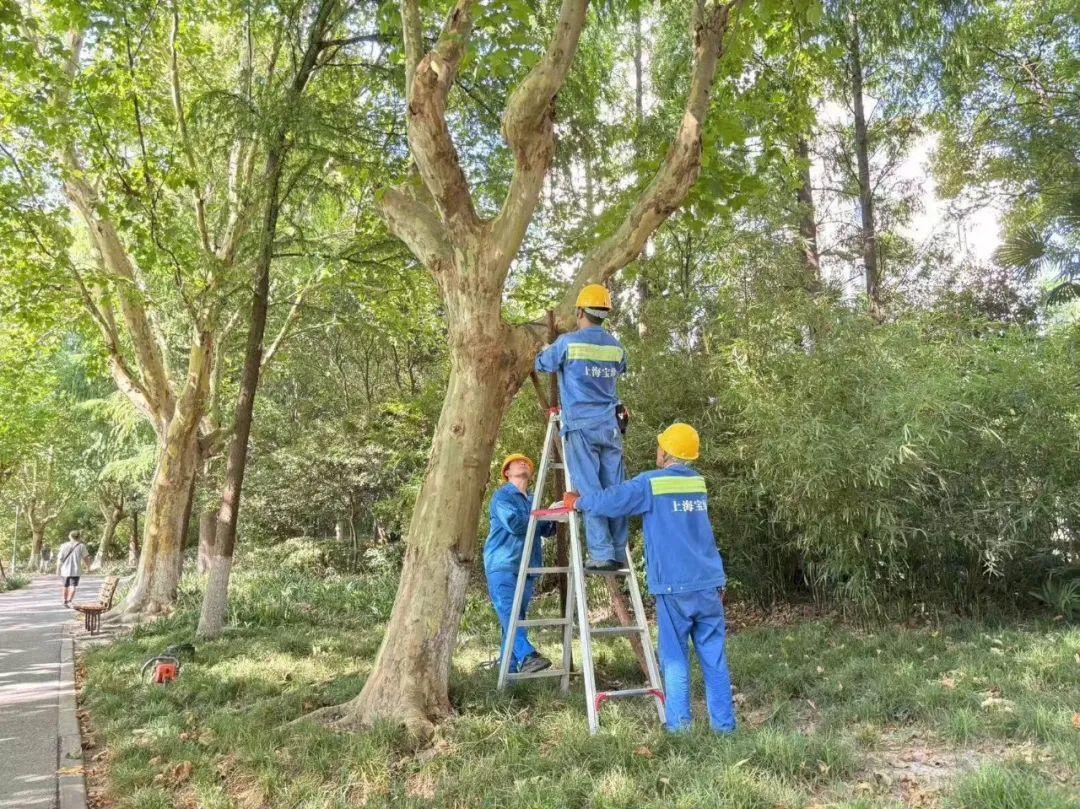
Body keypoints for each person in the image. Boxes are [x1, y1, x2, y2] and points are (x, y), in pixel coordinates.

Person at [563, 423, 735, 733]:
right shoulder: (698, 483)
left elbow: (613, 500)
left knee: (675, 658)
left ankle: (681, 730)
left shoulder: (651, 484)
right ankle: (724, 728)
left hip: (674, 585)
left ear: (667, 452)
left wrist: (579, 502)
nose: (657, 449)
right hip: (709, 582)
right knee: (714, 658)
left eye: (660, 446)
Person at [535, 284, 628, 572]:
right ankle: (619, 551)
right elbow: (620, 369)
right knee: (614, 489)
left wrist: (544, 349)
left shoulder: (567, 344)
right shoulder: (616, 347)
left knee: (589, 489)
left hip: (581, 428)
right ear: (604, 314)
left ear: (579, 312)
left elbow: (542, 364)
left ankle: (602, 553)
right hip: (610, 427)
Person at [484, 454, 557, 674]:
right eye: (517, 462)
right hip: (503, 565)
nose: (523, 463)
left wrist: (556, 514)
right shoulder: (502, 497)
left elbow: (546, 530)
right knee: (510, 614)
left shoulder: (532, 500)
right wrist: (543, 515)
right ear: (507, 472)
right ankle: (527, 655)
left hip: (527, 567)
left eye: (526, 462)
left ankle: (508, 675)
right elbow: (515, 524)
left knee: (515, 620)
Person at [56, 530, 89, 608]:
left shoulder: (64, 545)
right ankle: (69, 601)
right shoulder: (81, 546)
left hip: (65, 570)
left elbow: (59, 559)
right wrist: (88, 567)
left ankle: (64, 600)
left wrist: (58, 569)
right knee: (73, 586)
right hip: (76, 570)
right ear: (78, 537)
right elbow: (86, 558)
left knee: (65, 585)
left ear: (70, 536)